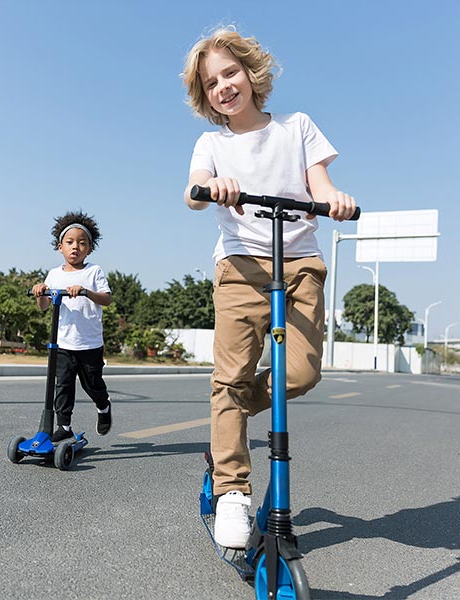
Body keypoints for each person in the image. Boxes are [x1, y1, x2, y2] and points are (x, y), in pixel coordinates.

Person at [180, 27, 357, 549]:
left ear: (252, 74)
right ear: (205, 96)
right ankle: (232, 489)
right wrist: (213, 188)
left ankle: (226, 417)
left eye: (230, 73)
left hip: (300, 263)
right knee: (230, 376)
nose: (224, 86)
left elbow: (319, 185)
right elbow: (192, 194)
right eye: (212, 83)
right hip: (240, 267)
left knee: (300, 374)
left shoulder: (297, 126)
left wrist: (334, 199)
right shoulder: (212, 143)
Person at [31, 211, 115, 443]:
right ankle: (64, 426)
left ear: (89, 248)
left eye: (82, 243)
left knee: (93, 385)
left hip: (89, 343)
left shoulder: (93, 272)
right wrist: (40, 291)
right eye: (70, 242)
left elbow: (107, 299)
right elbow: (44, 306)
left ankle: (103, 406)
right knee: (63, 385)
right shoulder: (54, 274)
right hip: (62, 342)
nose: (75, 247)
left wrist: (86, 291)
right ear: (60, 247)